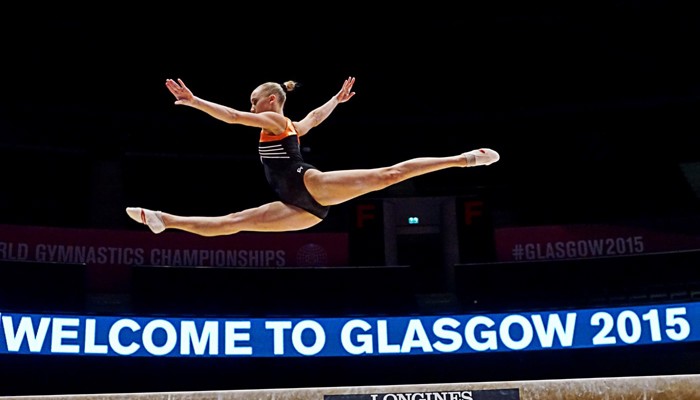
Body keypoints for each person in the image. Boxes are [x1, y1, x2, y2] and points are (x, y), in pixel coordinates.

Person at [126, 76, 499, 236]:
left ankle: (462, 159)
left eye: (254, 101)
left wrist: (194, 102)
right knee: (232, 221)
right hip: (299, 210)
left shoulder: (270, 118)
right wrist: (335, 101)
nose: (251, 107)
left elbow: (234, 116)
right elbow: (313, 120)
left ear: (270, 101)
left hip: (311, 185)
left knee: (388, 174)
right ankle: (165, 220)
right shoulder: (287, 125)